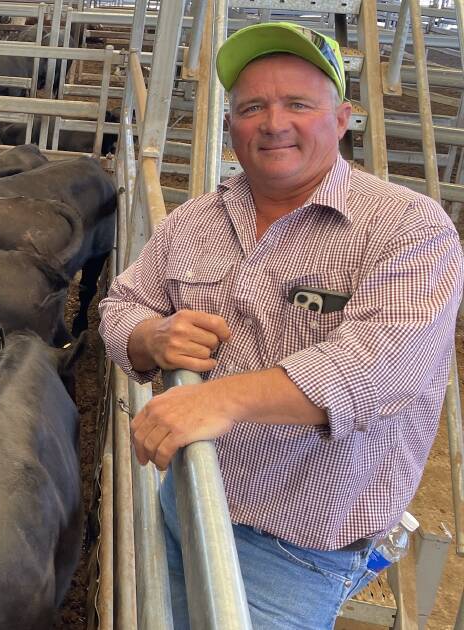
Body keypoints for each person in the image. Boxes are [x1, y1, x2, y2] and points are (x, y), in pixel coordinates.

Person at [98, 21, 463, 630]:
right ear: (231, 124)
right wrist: (149, 337)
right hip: (182, 500)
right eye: (251, 107)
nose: (273, 123)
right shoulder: (197, 221)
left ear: (343, 118)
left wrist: (221, 400)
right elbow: (120, 303)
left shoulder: (409, 228)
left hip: (298, 552)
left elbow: (386, 366)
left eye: (298, 103)